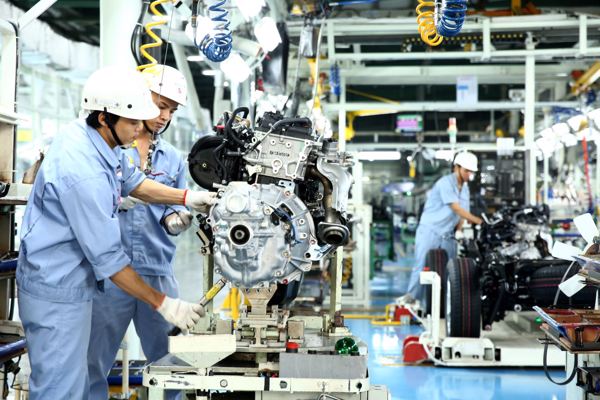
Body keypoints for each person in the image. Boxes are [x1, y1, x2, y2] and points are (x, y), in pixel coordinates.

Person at [17, 65, 216, 400]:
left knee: (74, 380)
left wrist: (187, 198)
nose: (142, 128)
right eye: (134, 122)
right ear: (104, 117)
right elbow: (108, 259)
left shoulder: (97, 141)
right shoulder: (83, 170)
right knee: (61, 388)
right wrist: (164, 303)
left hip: (76, 283)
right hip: (57, 290)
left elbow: (134, 182)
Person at [87, 65, 192, 400]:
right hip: (109, 275)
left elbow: (175, 207)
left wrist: (179, 215)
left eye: (171, 111)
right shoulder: (111, 150)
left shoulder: (173, 159)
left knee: (172, 364)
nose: (164, 117)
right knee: (93, 362)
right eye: (161, 106)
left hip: (157, 271)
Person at [403, 151, 483, 303]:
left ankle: (447, 303)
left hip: (447, 234)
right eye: (467, 171)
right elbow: (456, 208)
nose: (469, 175)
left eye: (471, 172)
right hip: (430, 230)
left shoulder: (465, 188)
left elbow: (463, 213)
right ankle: (412, 298)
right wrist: (479, 221)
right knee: (421, 264)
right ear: (457, 167)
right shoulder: (445, 183)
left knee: (451, 269)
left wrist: (459, 231)